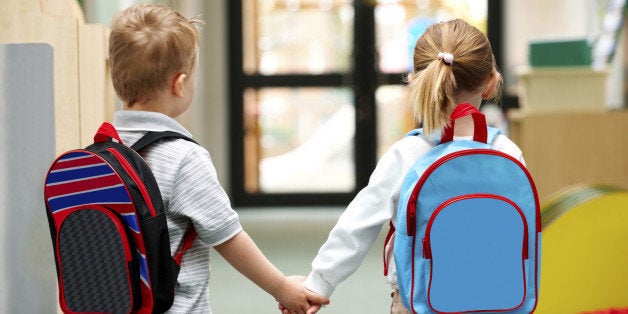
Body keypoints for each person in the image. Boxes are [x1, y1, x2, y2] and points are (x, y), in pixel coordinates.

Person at [283, 19, 525, 314]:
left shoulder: (406, 155)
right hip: (497, 300)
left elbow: (357, 226)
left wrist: (318, 285)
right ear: (491, 83)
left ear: (415, 81)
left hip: (419, 302)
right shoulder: (508, 153)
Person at [108, 4, 329, 314]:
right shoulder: (184, 157)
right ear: (180, 84)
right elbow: (227, 236)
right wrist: (282, 287)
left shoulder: (105, 148)